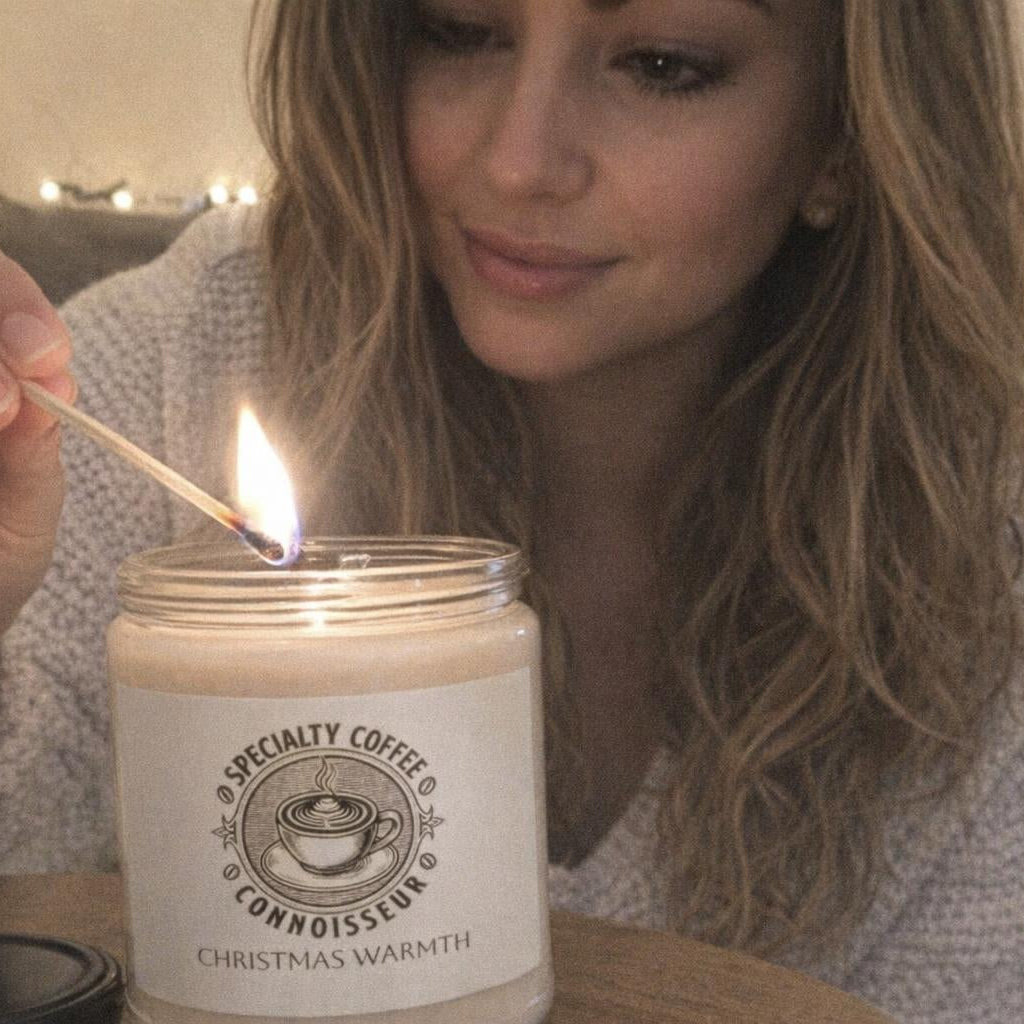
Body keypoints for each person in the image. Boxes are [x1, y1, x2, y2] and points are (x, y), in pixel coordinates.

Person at [1, 1, 1023, 1020]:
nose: (519, 162)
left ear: (846, 134)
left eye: (663, 64)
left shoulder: (985, 534)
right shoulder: (163, 367)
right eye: (458, 31)